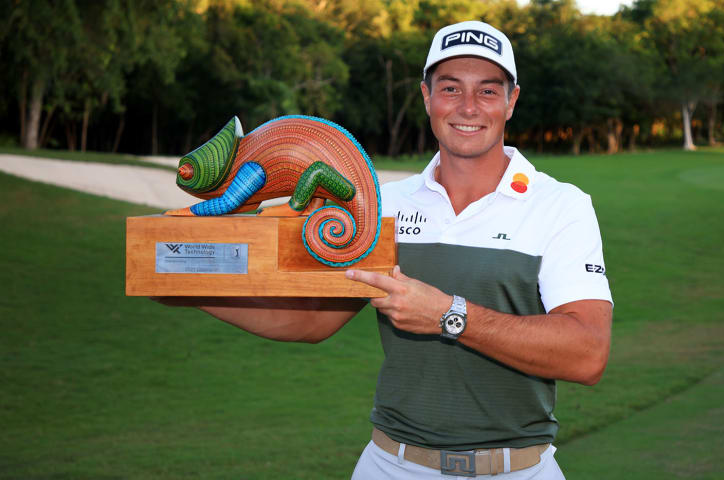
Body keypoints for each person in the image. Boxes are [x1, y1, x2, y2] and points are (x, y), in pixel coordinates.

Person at [157, 20, 612, 479]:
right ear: (426, 97)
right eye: (451, 88)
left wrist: (447, 315)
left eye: (488, 91)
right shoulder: (384, 206)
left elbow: (587, 353)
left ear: (512, 101)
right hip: (391, 465)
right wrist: (187, 286)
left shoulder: (561, 207)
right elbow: (310, 320)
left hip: (519, 469)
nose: (469, 107)